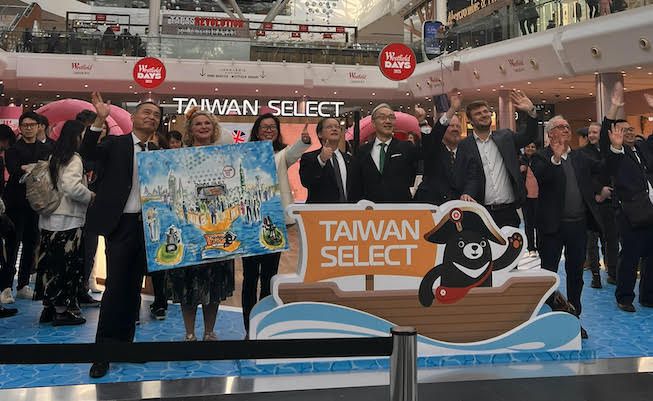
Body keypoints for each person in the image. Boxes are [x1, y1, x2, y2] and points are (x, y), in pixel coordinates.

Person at [80, 92, 161, 378]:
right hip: (121, 224)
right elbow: (87, 153)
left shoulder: (158, 153)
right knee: (115, 289)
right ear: (133, 117)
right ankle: (102, 353)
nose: (151, 117)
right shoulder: (115, 144)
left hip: (147, 227)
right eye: (146, 112)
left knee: (133, 289)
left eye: (156, 115)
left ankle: (125, 346)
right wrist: (99, 120)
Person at [531, 115, 603, 339]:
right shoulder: (541, 157)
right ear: (550, 133)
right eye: (560, 127)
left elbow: (602, 168)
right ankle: (550, 314)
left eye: (567, 126)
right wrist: (555, 157)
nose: (565, 129)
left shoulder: (580, 157)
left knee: (575, 275)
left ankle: (574, 317)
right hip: (552, 227)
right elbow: (541, 178)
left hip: (578, 226)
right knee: (549, 273)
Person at [166, 108, 234, 340]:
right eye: (198, 123)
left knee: (214, 285)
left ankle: (209, 331)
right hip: (188, 230)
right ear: (190, 129)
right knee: (188, 285)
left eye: (207, 123)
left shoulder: (224, 157)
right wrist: (206, 192)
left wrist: (202, 192)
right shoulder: (178, 157)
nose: (203, 127)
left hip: (219, 229)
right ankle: (189, 333)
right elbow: (178, 191)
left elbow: (228, 189)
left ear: (214, 128)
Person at [241, 113, 311, 337]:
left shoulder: (281, 155)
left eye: (272, 127)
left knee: (269, 276)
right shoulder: (244, 154)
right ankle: (248, 327)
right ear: (257, 130)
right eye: (264, 127)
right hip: (249, 223)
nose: (268, 130)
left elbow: (293, 153)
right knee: (250, 277)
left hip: (275, 223)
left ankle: (263, 324)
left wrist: (304, 141)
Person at [600, 84, 653, 313]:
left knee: (651, 256)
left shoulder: (641, 149)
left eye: (629, 130)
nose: (627, 133)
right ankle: (624, 297)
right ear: (613, 135)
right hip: (630, 214)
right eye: (621, 131)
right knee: (630, 256)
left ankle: (648, 296)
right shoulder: (615, 154)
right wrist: (614, 107)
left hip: (650, 211)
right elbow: (607, 137)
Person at [36, 120, 95, 326]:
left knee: (49, 265)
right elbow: (71, 187)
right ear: (76, 136)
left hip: (48, 218)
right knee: (66, 267)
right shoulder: (75, 158)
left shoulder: (54, 155)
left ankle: (49, 308)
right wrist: (90, 196)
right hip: (68, 219)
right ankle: (62, 311)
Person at [456, 90, 538, 228]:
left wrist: (531, 112)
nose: (484, 115)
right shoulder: (465, 146)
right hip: (481, 213)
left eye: (485, 111)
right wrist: (466, 194)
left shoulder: (506, 137)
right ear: (470, 120)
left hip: (508, 212)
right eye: (478, 113)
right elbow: (463, 176)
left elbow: (529, 135)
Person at [0, 111, 53, 304]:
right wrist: (36, 167)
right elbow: (14, 170)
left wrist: (31, 168)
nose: (28, 128)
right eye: (25, 125)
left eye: (32, 125)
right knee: (12, 245)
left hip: (38, 203)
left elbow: (49, 169)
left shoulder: (46, 147)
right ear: (20, 128)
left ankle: (23, 285)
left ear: (39, 127)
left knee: (31, 244)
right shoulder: (13, 149)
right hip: (15, 203)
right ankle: (5, 287)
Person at [414, 93, 481, 205]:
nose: (455, 129)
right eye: (451, 126)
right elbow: (433, 137)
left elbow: (473, 178)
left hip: (458, 207)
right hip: (432, 206)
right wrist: (452, 110)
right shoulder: (433, 149)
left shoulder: (468, 152)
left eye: (458, 126)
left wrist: (468, 193)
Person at [578, 122, 618, 288]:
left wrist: (610, 191)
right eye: (590, 132)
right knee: (592, 242)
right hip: (592, 202)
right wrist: (599, 191)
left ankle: (613, 273)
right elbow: (583, 177)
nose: (592, 135)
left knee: (611, 239)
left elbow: (616, 171)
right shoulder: (582, 153)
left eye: (595, 132)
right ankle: (595, 275)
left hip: (611, 201)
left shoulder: (610, 150)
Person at [356, 104, 418, 203]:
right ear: (373, 123)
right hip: (370, 209)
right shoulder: (362, 151)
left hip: (400, 208)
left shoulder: (406, 147)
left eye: (391, 117)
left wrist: (422, 124)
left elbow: (427, 156)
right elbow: (357, 184)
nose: (388, 121)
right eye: (382, 117)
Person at [300, 117, 360, 203]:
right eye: (329, 127)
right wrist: (321, 160)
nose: (334, 129)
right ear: (320, 134)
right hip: (321, 210)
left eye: (337, 127)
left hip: (348, 210)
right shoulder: (309, 158)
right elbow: (306, 182)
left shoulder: (350, 160)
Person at [520, 142, 539, 257]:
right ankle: (531, 247)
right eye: (528, 146)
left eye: (533, 147)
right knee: (528, 223)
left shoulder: (540, 160)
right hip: (526, 197)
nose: (530, 148)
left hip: (539, 197)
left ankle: (540, 246)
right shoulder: (520, 160)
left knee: (540, 223)